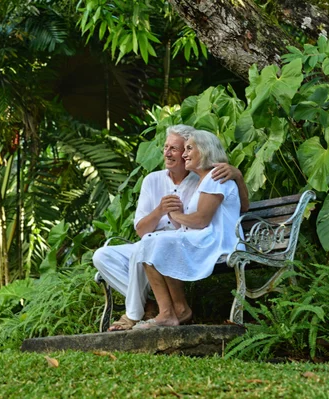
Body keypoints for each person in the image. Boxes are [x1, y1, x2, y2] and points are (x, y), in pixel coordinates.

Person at [92, 125, 249, 331]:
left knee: (155, 245)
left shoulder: (209, 178)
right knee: (107, 254)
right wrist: (160, 210)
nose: (170, 153)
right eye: (166, 147)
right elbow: (141, 231)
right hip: (168, 240)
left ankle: (138, 314)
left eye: (179, 149)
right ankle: (152, 305)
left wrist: (237, 175)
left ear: (200, 151)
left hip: (194, 240)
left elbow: (215, 215)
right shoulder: (155, 180)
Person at [133, 129, 245, 329]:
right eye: (183, 149)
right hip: (205, 237)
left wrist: (174, 215)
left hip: (218, 241)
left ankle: (171, 312)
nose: (184, 154)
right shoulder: (206, 179)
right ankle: (171, 311)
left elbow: (201, 219)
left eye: (189, 148)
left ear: (204, 150)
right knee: (153, 242)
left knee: (160, 243)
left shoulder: (214, 177)